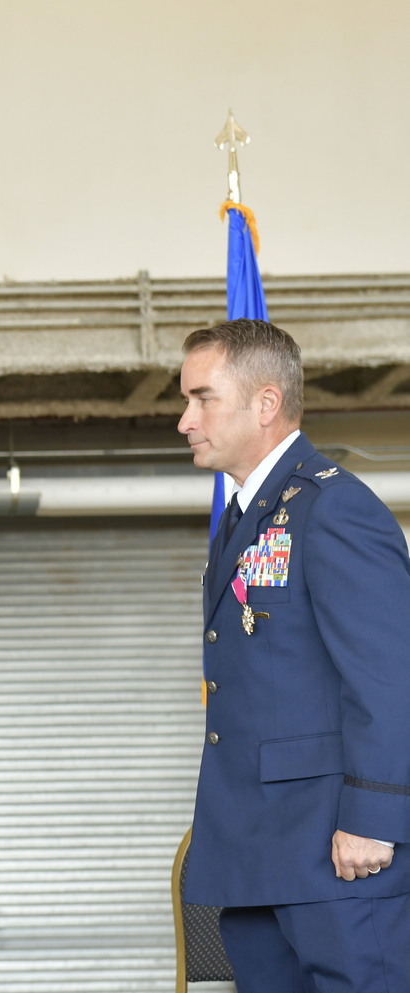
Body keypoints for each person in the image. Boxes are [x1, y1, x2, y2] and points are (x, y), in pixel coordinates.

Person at [177, 318, 410, 991]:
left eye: (202, 398)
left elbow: (390, 677)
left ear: (266, 403)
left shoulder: (332, 507)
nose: (185, 418)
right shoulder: (244, 518)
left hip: (338, 856)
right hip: (259, 855)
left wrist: (372, 819)